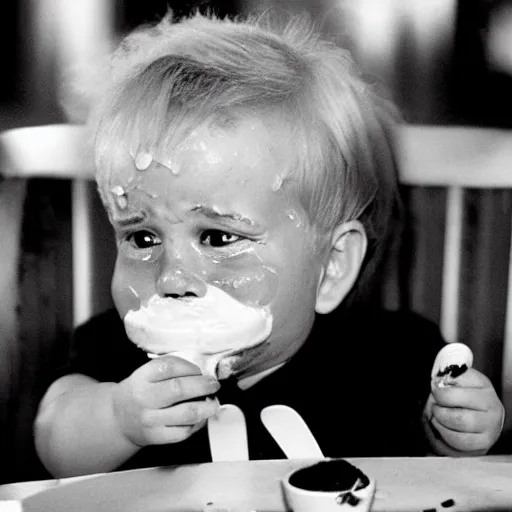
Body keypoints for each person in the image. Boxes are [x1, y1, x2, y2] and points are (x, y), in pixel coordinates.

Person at [34, 11, 504, 477]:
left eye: (219, 237)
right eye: (142, 237)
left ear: (333, 266)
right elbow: (54, 440)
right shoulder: (115, 357)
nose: (172, 277)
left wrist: (451, 435)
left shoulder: (393, 361)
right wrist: (118, 418)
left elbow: (438, 483)